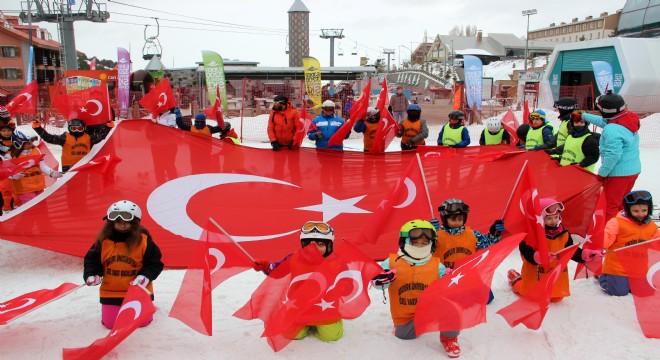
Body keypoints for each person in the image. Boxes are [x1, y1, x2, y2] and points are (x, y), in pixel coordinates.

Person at [371, 220, 460, 358]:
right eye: (414, 243)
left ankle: (449, 338)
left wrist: (450, 280)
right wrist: (380, 279)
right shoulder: (391, 262)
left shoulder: (437, 265)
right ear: (404, 242)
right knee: (405, 337)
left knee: (450, 308)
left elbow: (447, 288)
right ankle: (403, 329)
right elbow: (378, 284)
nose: (419, 247)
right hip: (405, 316)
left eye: (424, 243)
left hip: (430, 311)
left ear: (432, 245)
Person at [252, 221, 343, 342]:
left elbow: (349, 281)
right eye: (310, 244)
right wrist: (266, 266)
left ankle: (330, 324)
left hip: (325, 309)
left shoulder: (336, 261)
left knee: (331, 337)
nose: (315, 248)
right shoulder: (295, 258)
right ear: (303, 244)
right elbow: (278, 270)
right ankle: (305, 324)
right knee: (291, 334)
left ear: (329, 246)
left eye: (320, 244)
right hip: (299, 308)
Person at [83, 200, 164, 329]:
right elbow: (92, 261)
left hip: (138, 291)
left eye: (126, 222)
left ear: (135, 223)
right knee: (111, 324)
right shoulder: (103, 242)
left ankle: (146, 307)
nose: (122, 226)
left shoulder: (144, 242)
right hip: (111, 291)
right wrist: (92, 274)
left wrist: (145, 276)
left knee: (142, 322)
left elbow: (155, 263)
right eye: (118, 222)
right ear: (111, 223)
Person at [507, 198, 603, 302]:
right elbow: (526, 252)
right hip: (536, 273)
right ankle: (515, 279)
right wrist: (539, 257)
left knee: (557, 298)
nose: (553, 221)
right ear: (540, 218)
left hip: (555, 274)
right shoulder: (531, 234)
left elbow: (571, 251)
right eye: (549, 218)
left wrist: (588, 254)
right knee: (532, 297)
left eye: (556, 217)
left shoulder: (564, 233)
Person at [430, 198, 504, 303]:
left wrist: (494, 233)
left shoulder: (472, 234)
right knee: (446, 302)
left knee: (487, 298)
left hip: (468, 276)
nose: (457, 223)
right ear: (444, 218)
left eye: (460, 219)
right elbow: (425, 250)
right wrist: (429, 233)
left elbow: (489, 244)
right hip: (446, 278)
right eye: (453, 220)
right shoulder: (437, 235)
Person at [582, 91, 641, 221]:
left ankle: (607, 232)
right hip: (633, 170)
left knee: (609, 205)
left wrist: (602, 174)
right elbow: (605, 122)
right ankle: (621, 223)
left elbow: (613, 155)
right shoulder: (627, 119)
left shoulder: (612, 129)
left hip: (618, 174)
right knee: (621, 202)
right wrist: (583, 116)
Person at [599, 191, 660, 296]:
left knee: (646, 292)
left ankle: (626, 282)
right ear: (628, 210)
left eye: (644, 210)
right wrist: (600, 240)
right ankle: (603, 277)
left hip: (638, 268)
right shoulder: (617, 222)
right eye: (635, 211)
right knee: (619, 292)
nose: (640, 214)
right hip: (618, 268)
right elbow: (607, 239)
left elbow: (655, 244)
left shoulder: (652, 227)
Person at [32, 118, 112, 172]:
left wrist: (107, 127)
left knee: (83, 186)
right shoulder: (65, 137)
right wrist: (38, 128)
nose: (76, 131)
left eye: (79, 129)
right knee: (70, 186)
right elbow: (49, 138)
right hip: (68, 166)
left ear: (84, 129)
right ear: (69, 128)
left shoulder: (88, 138)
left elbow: (100, 136)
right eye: (73, 128)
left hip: (84, 165)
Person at [8, 130, 63, 204]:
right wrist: (16, 174)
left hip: (38, 185)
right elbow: (7, 173)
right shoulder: (10, 155)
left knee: (42, 206)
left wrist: (52, 172)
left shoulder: (35, 150)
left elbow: (42, 166)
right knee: (33, 207)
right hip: (24, 188)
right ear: (18, 143)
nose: (30, 145)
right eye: (27, 143)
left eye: (31, 142)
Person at [0, 121, 19, 213]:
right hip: (3, 171)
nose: (6, 133)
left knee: (15, 189)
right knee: (4, 190)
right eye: (4, 131)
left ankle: (17, 206)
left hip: (14, 170)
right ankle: (6, 208)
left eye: (8, 130)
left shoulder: (16, 142)